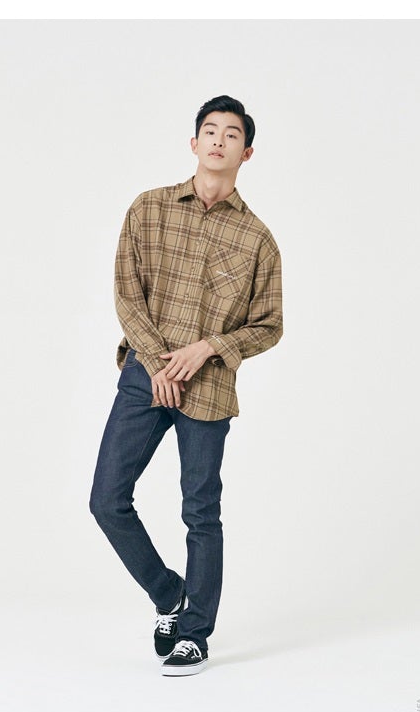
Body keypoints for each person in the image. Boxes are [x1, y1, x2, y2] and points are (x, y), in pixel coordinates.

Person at [89, 97, 283, 676]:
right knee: (106, 499)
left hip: (210, 388)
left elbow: (269, 325)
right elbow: (128, 293)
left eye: (232, 134)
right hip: (143, 377)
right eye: (210, 131)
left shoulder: (257, 240)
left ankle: (194, 633)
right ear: (194, 143)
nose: (219, 140)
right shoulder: (148, 209)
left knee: (201, 511)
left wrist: (207, 349)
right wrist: (158, 365)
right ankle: (170, 594)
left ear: (247, 152)